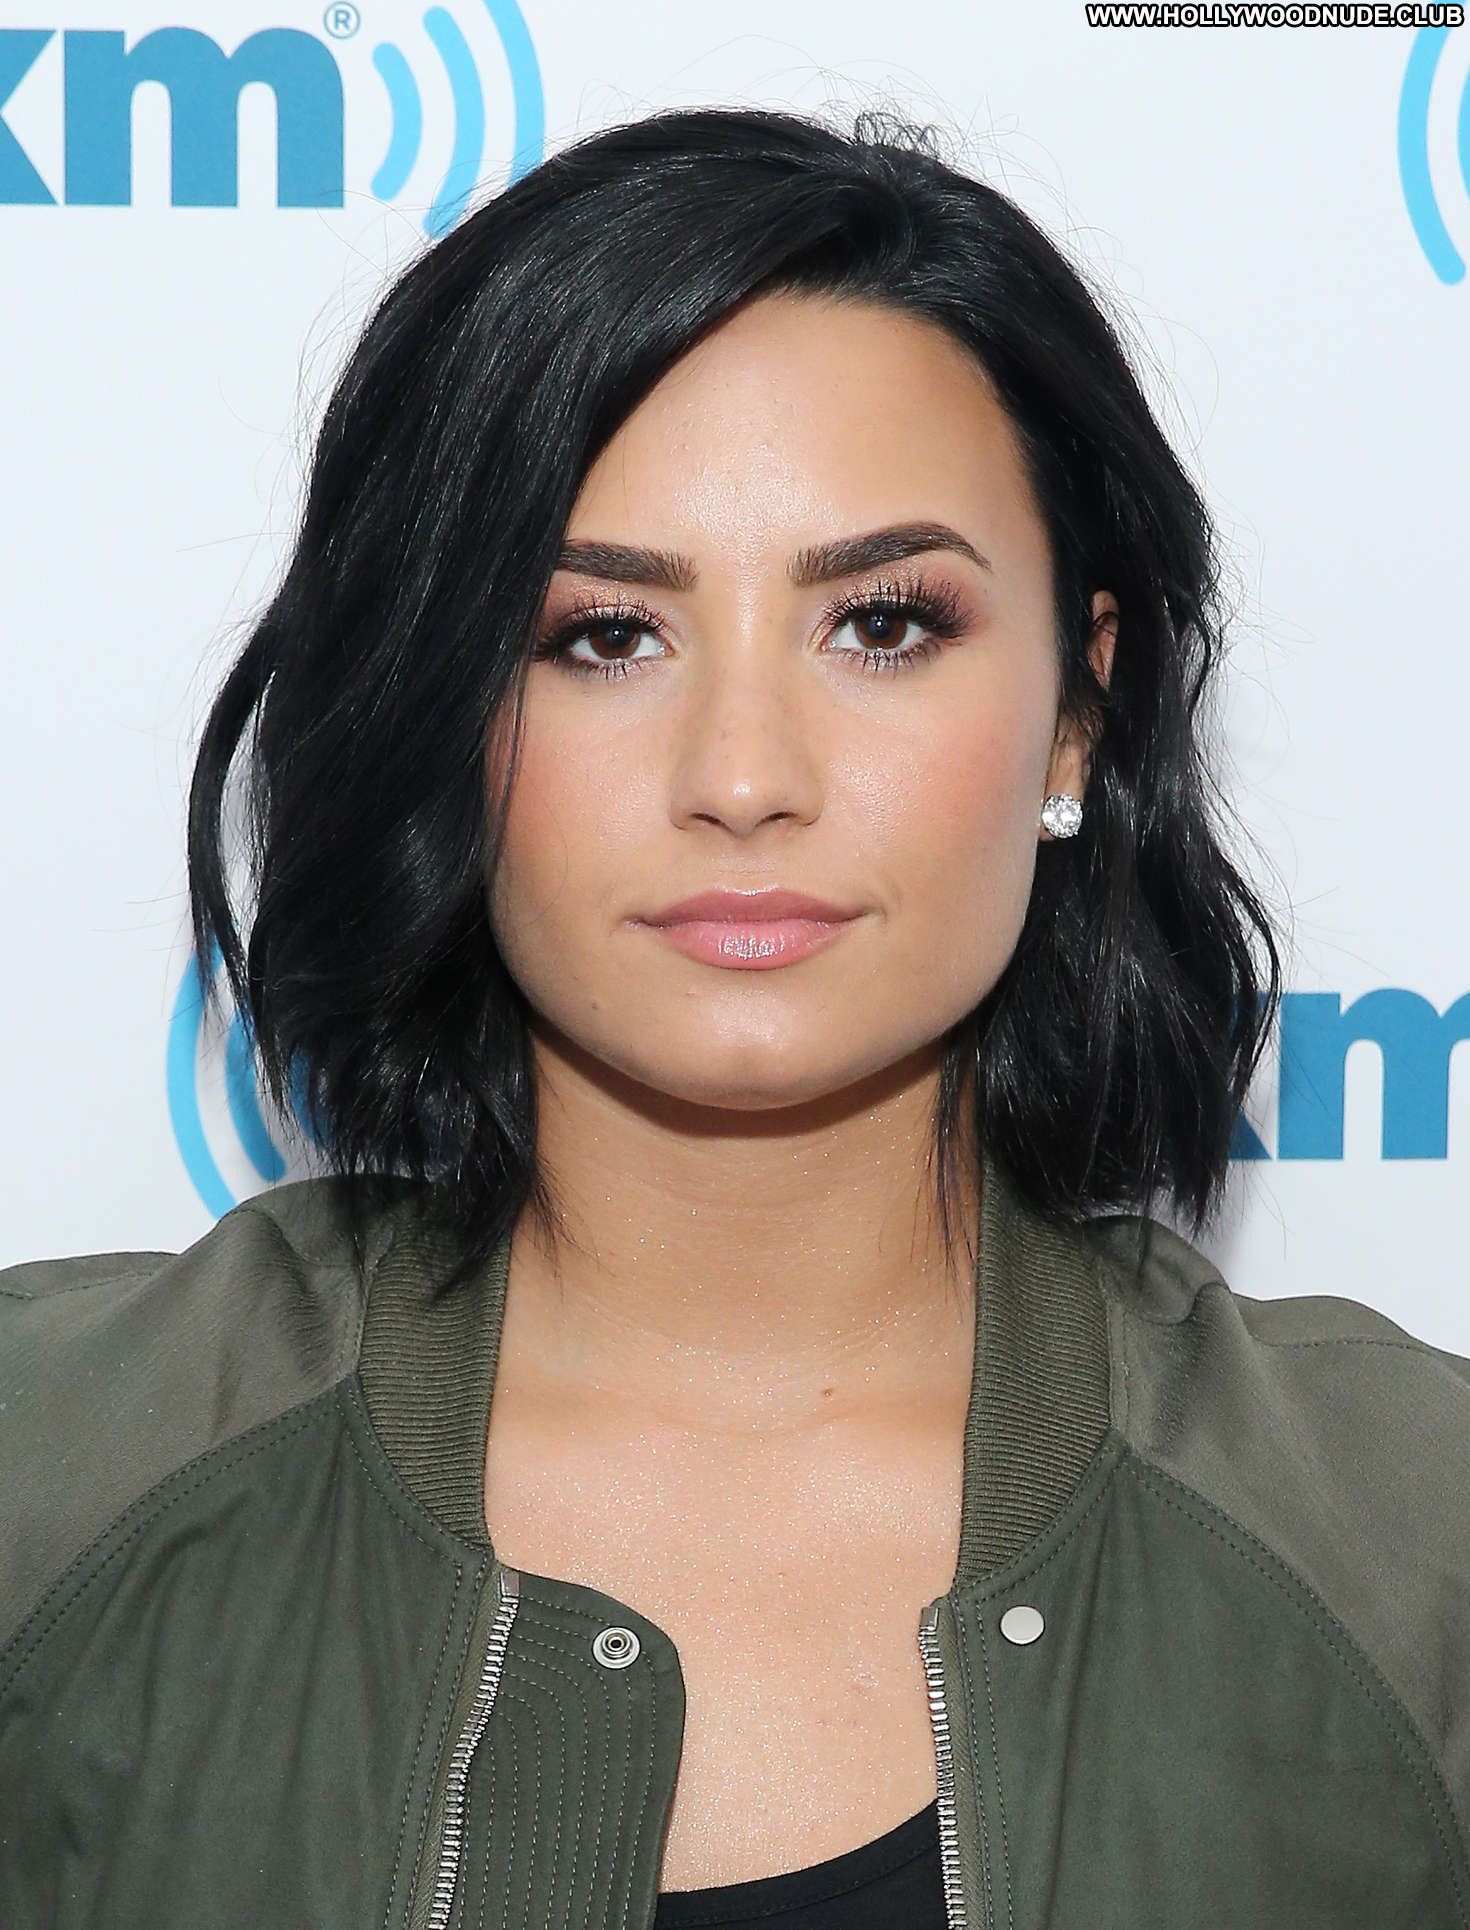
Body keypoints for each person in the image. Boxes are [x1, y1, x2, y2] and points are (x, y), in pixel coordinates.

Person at [2, 102, 1467, 1930]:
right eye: (601, 635)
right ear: (440, 712)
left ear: (1078, 713)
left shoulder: (1412, 1541)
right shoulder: (53, 1473)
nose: (746, 775)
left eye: (883, 624)